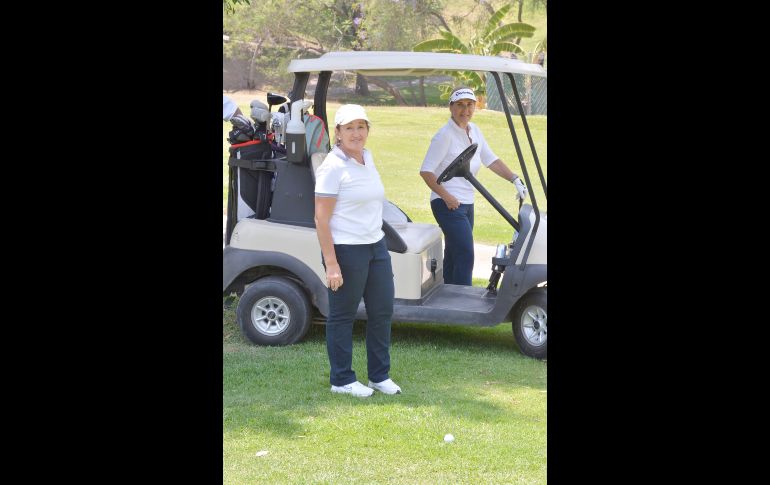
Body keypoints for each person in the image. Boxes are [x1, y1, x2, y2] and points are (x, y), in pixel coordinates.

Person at [314, 104, 401, 398]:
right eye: (349, 128)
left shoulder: (368, 157)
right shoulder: (332, 166)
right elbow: (321, 219)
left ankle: (379, 375)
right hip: (346, 250)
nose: (356, 133)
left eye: (361, 127)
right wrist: (331, 264)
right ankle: (342, 379)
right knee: (342, 315)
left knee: (382, 311)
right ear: (337, 133)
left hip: (376, 246)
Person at [419, 87, 528, 286]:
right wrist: (446, 196)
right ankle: (463, 303)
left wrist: (514, 179)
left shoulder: (474, 130)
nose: (465, 110)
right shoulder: (444, 135)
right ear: (451, 107)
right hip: (447, 205)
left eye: (470, 105)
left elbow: (490, 159)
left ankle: (447, 298)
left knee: (454, 253)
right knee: (466, 254)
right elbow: (426, 171)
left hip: (467, 203)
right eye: (460, 105)